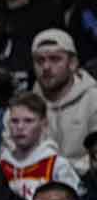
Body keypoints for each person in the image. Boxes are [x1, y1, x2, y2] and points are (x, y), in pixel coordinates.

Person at [31, 28, 97, 175]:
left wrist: (60, 170)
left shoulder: (93, 100)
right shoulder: (27, 105)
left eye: (55, 59)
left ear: (72, 63)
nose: (46, 67)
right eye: (40, 60)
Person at [0, 91, 83, 200]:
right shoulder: (2, 164)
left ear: (44, 124)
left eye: (28, 121)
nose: (20, 127)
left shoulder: (56, 165)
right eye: (14, 121)